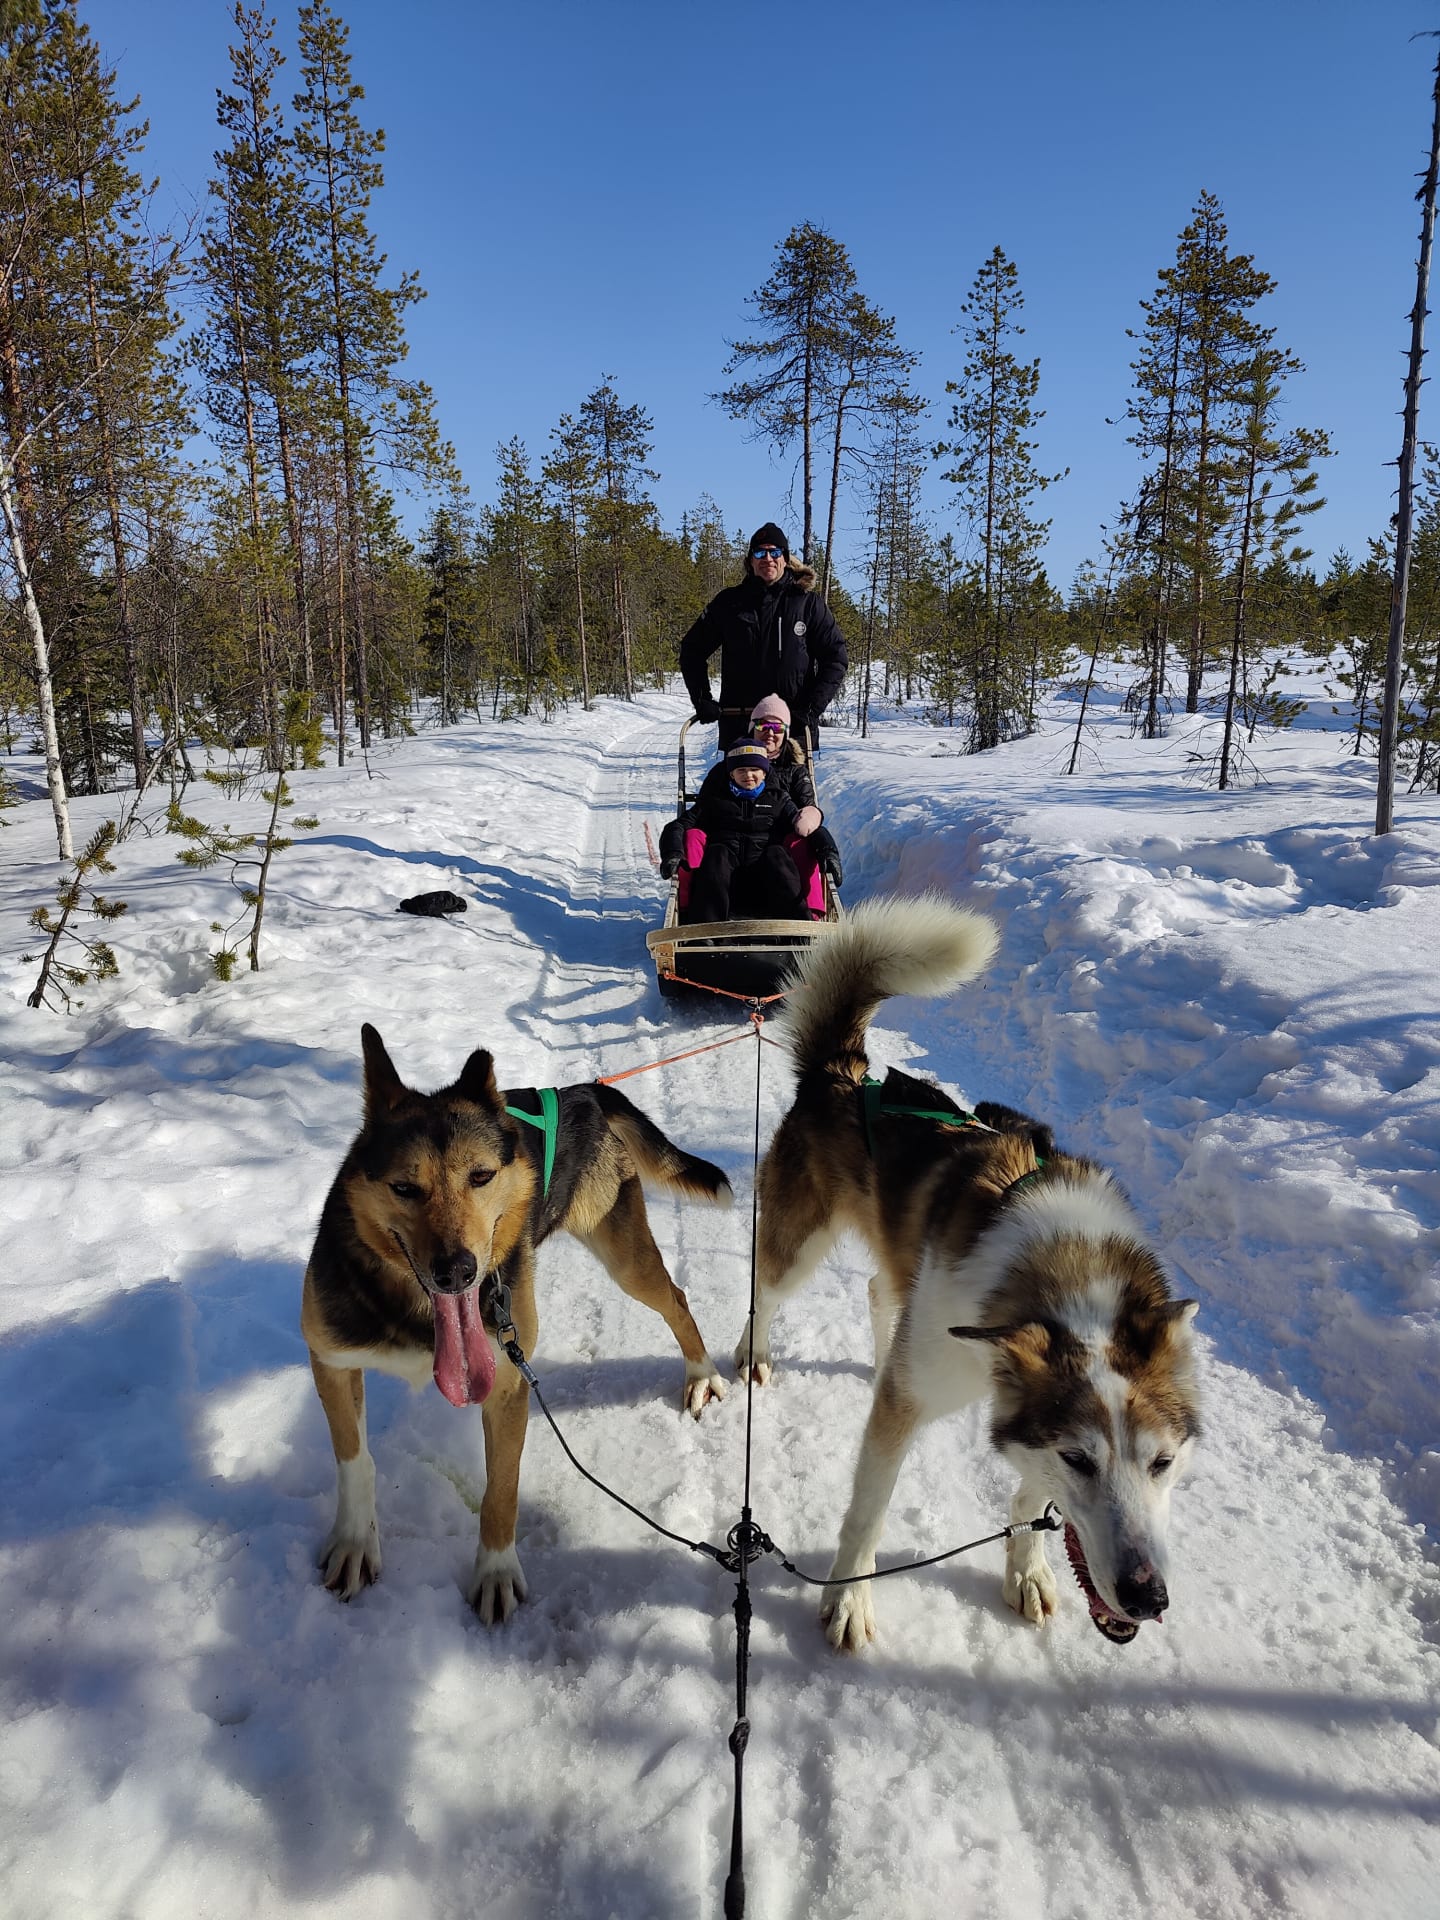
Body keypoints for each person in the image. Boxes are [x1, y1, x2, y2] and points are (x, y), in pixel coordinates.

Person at [680, 522, 847, 751]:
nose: (767, 558)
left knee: (792, 776)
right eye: (759, 553)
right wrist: (702, 699)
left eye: (774, 552)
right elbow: (692, 649)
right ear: (750, 561)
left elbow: (835, 658)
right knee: (743, 776)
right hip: (740, 727)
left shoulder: (807, 604)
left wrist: (811, 708)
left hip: (792, 728)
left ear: (785, 559)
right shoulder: (729, 603)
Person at [660, 740, 808, 923]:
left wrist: (827, 851)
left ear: (764, 772)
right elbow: (678, 826)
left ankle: (800, 925)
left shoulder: (779, 800)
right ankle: (707, 928)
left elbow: (806, 826)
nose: (748, 775)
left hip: (767, 881)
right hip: (724, 885)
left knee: (777, 853)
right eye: (741, 770)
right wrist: (672, 853)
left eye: (754, 769)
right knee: (717, 853)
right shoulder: (714, 801)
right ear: (731, 774)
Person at [746, 693, 844, 893]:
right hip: (740, 840)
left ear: (785, 733)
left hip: (783, 843)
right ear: (752, 729)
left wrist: (825, 845)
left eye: (777, 728)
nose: (770, 733)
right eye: (762, 726)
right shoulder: (735, 766)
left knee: (802, 843)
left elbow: (808, 810)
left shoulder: (795, 771)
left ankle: (811, 909)